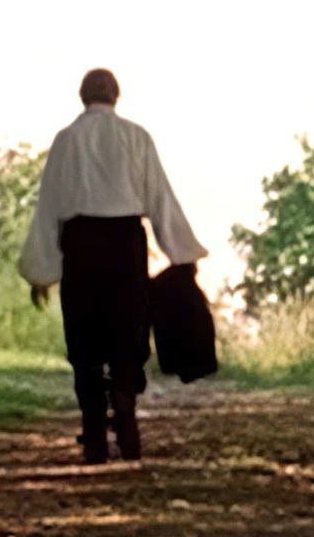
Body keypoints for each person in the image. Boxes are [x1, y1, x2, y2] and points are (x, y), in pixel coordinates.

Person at [19, 67, 208, 464]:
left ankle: (93, 431)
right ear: (116, 96)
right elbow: (160, 197)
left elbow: (49, 207)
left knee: (84, 332)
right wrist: (182, 255)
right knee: (128, 328)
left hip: (82, 245)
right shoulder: (136, 137)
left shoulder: (67, 140)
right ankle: (124, 408)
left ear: (83, 97)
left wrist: (41, 272)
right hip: (125, 245)